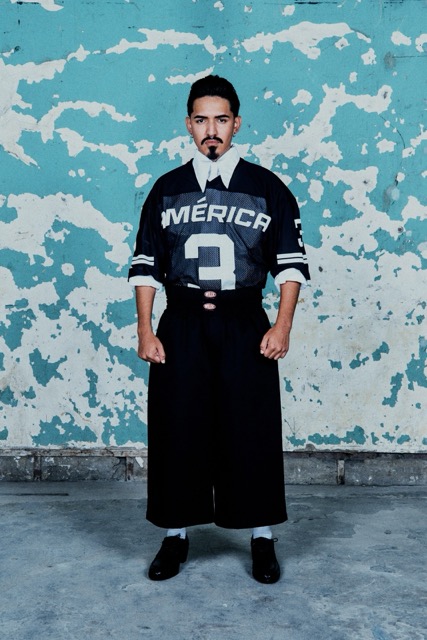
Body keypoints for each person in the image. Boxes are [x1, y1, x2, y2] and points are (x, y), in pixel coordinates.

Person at [128, 75, 310, 584]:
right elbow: (145, 266)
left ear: (237, 124)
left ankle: (261, 536)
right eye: (202, 119)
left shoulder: (267, 187)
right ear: (188, 125)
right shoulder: (167, 189)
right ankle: (175, 534)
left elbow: (291, 265)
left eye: (221, 119)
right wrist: (145, 328)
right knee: (177, 426)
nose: (212, 129)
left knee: (249, 426)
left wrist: (282, 325)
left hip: (243, 320)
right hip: (182, 320)